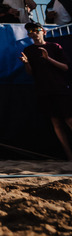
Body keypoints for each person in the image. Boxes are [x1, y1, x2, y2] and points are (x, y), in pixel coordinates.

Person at [21, 23, 72, 159]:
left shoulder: (54, 47)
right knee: (56, 123)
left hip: (60, 88)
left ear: (43, 31)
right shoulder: (29, 50)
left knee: (69, 120)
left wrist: (48, 59)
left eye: (36, 30)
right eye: (30, 32)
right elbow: (31, 73)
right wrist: (26, 63)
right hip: (43, 90)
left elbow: (66, 67)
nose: (34, 33)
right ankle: (69, 155)